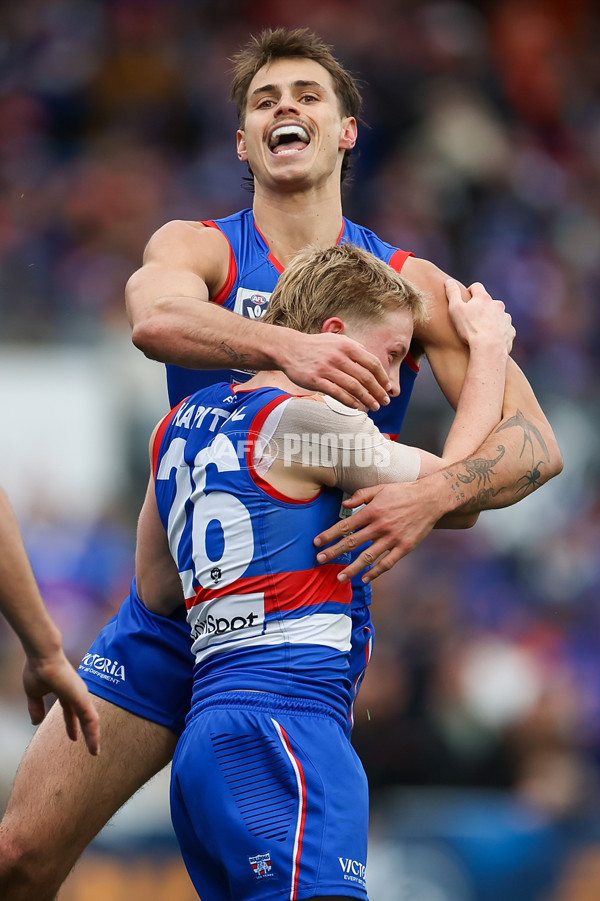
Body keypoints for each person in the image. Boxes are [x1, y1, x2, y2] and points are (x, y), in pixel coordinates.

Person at [0, 27, 562, 900]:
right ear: (241, 142)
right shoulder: (203, 247)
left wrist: (437, 496)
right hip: (173, 623)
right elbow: (151, 318)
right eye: (264, 100)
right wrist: (290, 349)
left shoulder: (409, 285)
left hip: (291, 630)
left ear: (347, 131)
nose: (284, 107)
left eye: (306, 94)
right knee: (19, 856)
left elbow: (534, 446)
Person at [137, 242, 515, 901]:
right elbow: (462, 490)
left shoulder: (175, 425)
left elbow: (156, 589)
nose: (395, 384)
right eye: (394, 353)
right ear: (334, 334)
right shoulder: (311, 422)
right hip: (288, 724)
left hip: (205, 741)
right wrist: (487, 351)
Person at [0, 487, 100, 757]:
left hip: (74, 629)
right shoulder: (33, 547)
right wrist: (44, 651)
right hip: (41, 633)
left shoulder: (87, 551)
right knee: (21, 642)